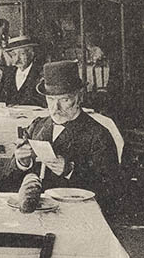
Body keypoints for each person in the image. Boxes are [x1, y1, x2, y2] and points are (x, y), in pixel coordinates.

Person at [9, 60, 121, 210]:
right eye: (51, 100)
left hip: (76, 214)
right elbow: (6, 181)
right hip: (34, 211)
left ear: (79, 97)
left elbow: (111, 190)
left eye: (64, 100)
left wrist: (71, 171)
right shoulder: (37, 126)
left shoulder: (98, 134)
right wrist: (21, 163)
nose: (56, 108)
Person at [0, 35, 42, 106]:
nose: (17, 59)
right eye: (14, 54)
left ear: (31, 54)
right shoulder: (8, 73)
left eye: (22, 54)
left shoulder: (40, 73)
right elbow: (0, 97)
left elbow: (42, 101)